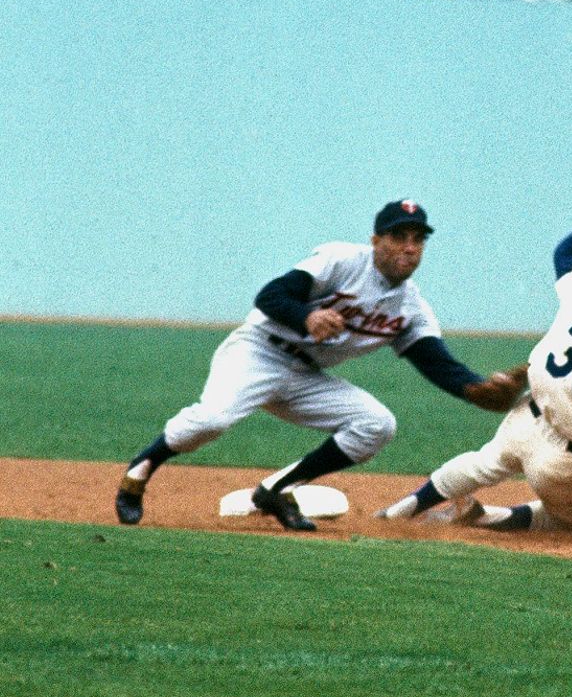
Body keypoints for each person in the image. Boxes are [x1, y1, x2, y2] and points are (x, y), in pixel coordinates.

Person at [115, 199, 528, 531]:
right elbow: (271, 296)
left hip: (305, 376)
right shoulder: (341, 260)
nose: (409, 246)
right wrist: (307, 317)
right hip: (258, 351)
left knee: (376, 425)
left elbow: (437, 364)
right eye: (398, 236)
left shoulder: (411, 309)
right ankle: (142, 467)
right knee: (212, 420)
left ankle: (278, 488)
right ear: (376, 239)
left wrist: (476, 389)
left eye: (418, 239)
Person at [376, 191, 572, 548]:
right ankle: (485, 517)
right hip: (567, 465)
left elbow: (567, 249)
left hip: (524, 419)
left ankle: (400, 510)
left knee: (482, 463)